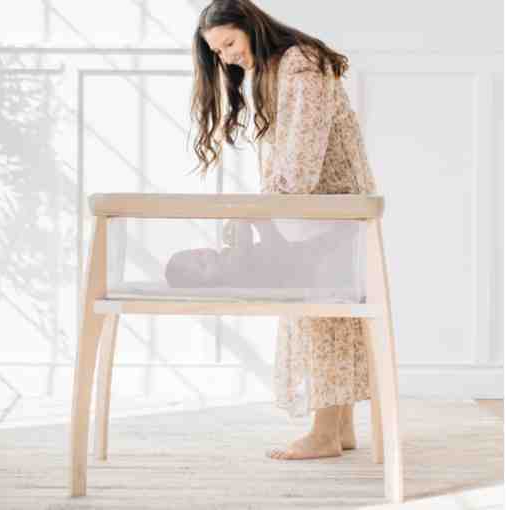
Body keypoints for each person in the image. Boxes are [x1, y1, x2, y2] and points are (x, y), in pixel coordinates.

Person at [190, 0, 378, 460]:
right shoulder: (275, 70)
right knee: (328, 316)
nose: (226, 57)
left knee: (323, 315)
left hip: (330, 210)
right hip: (323, 211)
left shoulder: (300, 65)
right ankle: (339, 428)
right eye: (217, 52)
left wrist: (264, 207)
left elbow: (302, 159)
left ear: (251, 27)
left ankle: (324, 433)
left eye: (229, 43)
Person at [164, 219, 360, 289]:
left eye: (197, 253)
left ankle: (350, 231)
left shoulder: (227, 260)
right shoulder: (231, 273)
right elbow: (244, 244)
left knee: (324, 241)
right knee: (326, 251)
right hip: (301, 269)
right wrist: (241, 219)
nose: (204, 256)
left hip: (289, 257)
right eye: (202, 265)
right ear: (207, 285)